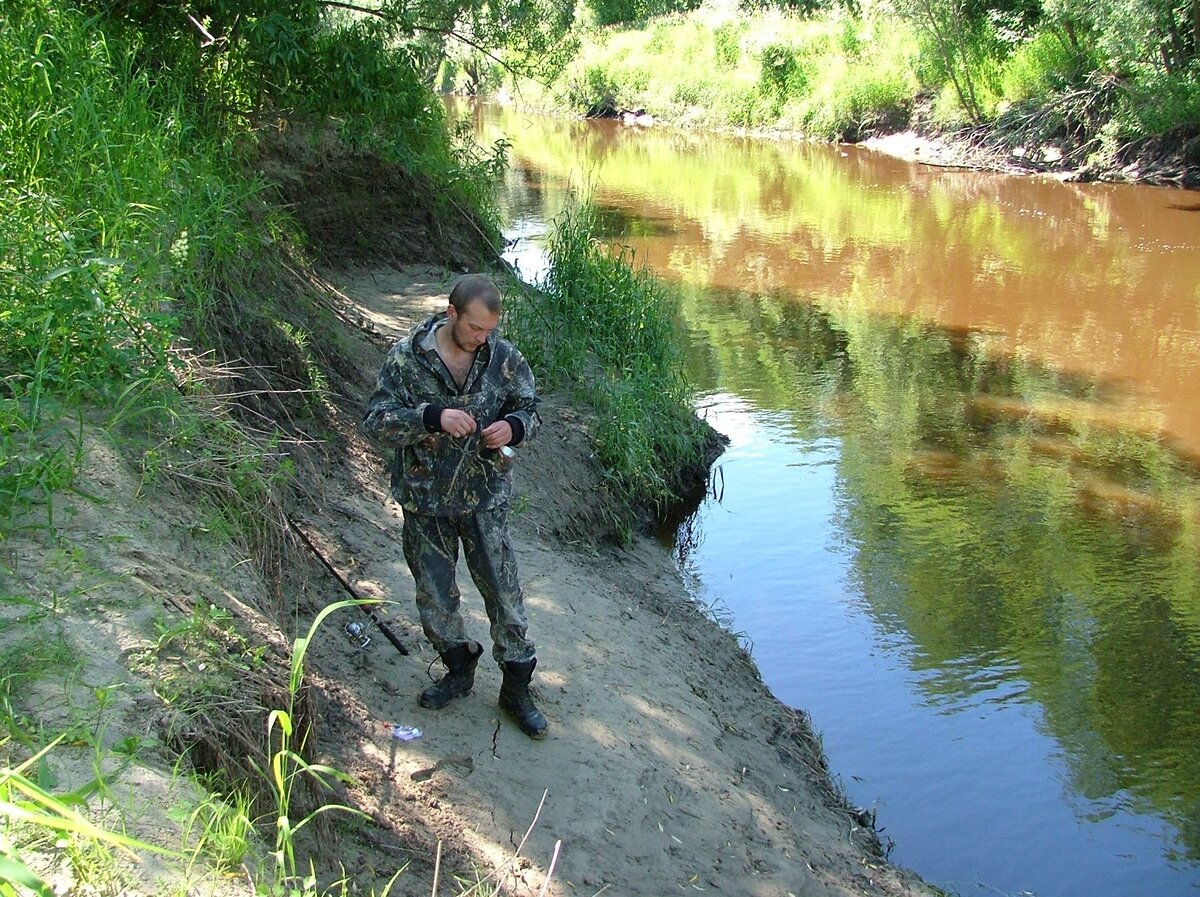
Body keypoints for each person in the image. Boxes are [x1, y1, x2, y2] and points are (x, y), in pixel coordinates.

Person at [362, 274, 548, 739]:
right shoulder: (407, 358)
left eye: (489, 329)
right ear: (451, 314)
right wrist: (430, 417)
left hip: (486, 499)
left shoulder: (502, 358)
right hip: (426, 501)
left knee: (505, 597)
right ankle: (459, 669)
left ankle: (516, 687)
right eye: (475, 329)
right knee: (435, 596)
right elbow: (376, 423)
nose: (483, 338)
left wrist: (515, 428)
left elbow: (531, 406)